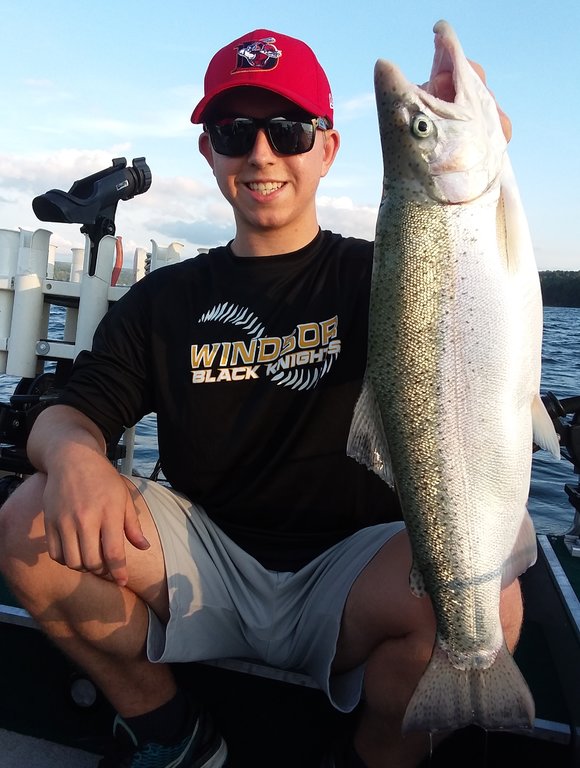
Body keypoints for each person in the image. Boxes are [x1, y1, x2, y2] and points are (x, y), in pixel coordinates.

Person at [0, 29, 521, 768]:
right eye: (234, 132)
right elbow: (73, 410)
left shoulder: (392, 276)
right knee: (26, 517)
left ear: (327, 149)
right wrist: (74, 454)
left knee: (487, 597)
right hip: (203, 556)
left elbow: (479, 292)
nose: (262, 153)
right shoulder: (164, 301)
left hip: (352, 572)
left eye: (288, 129)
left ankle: (373, 758)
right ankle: (170, 732)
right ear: (209, 153)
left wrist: (481, 153)